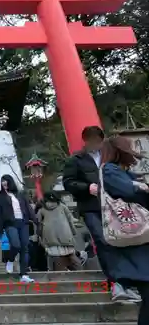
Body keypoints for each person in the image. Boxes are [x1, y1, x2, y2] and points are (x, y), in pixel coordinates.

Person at [62, 126, 141, 302]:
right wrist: (86, 187)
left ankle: (127, 282)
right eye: (90, 139)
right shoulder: (76, 159)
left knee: (120, 240)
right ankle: (117, 283)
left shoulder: (109, 156)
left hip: (114, 206)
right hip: (91, 207)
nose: (94, 143)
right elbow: (68, 182)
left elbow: (123, 173)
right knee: (103, 240)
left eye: (97, 139)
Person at [99, 136, 149, 323]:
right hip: (134, 239)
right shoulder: (110, 171)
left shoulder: (124, 172)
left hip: (140, 239)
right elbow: (128, 191)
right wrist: (142, 187)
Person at [0, 174, 36, 283]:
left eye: (6, 181)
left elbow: (28, 208)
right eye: (2, 181)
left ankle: (24, 274)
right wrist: (0, 229)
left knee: (24, 248)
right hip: (10, 224)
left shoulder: (20, 194)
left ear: (10, 182)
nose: (4, 183)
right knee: (15, 245)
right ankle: (10, 259)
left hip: (23, 222)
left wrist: (36, 220)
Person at [37, 191, 82, 271]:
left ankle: (61, 279)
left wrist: (40, 237)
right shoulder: (63, 206)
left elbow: (39, 225)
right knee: (72, 258)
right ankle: (82, 277)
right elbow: (70, 220)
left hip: (50, 238)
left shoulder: (41, 210)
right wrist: (73, 232)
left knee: (58, 261)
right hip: (65, 236)